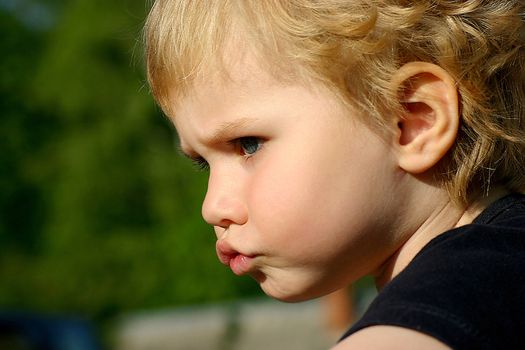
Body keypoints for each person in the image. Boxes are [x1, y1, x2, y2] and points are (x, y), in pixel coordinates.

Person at [143, 1, 525, 349]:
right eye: (203, 163)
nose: (213, 208)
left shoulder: (426, 322)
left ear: (412, 120)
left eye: (248, 144)